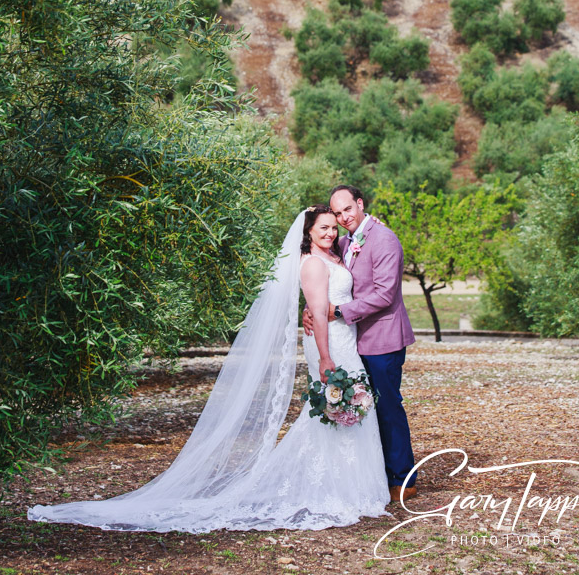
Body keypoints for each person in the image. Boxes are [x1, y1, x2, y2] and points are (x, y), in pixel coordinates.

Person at [28, 206, 390, 532]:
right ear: (307, 232)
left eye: (333, 228)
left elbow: (330, 301)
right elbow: (319, 312)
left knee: (343, 409)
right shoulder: (313, 263)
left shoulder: (333, 256)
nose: (330, 232)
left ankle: (343, 484)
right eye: (323, 228)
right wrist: (326, 357)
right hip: (330, 346)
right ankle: (339, 488)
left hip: (342, 339)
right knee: (337, 407)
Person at [304, 185, 417, 502]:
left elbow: (384, 294)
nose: (342, 217)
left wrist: (337, 311)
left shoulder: (384, 239)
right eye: (337, 214)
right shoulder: (342, 242)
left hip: (383, 338)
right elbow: (325, 283)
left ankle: (402, 479)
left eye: (347, 210)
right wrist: (309, 312)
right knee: (363, 409)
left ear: (360, 204)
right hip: (353, 341)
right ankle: (372, 475)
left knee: (388, 407)